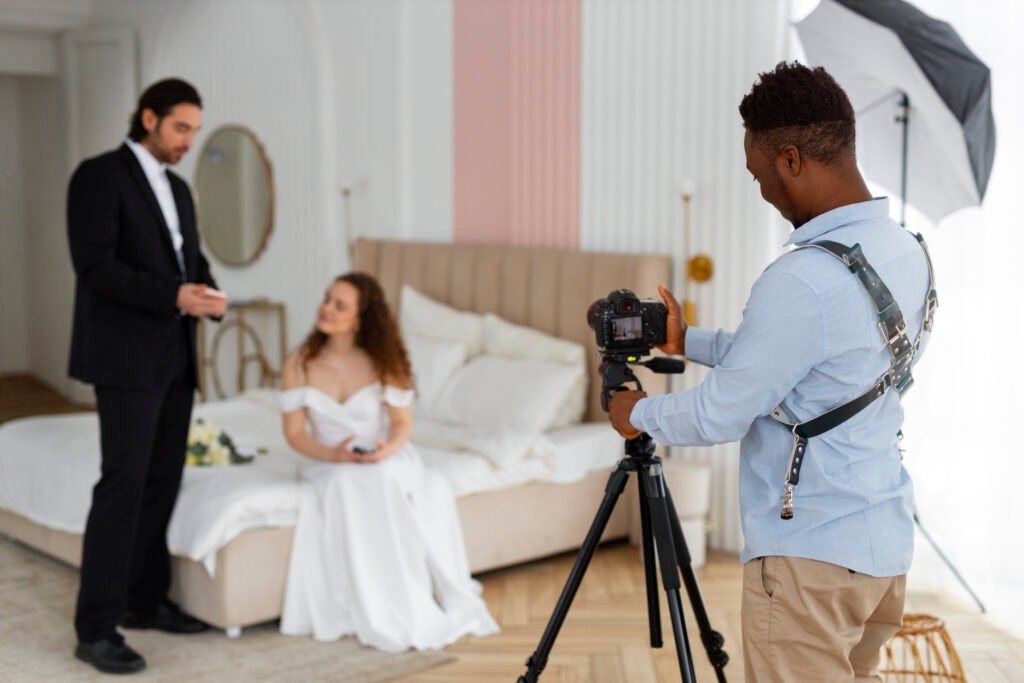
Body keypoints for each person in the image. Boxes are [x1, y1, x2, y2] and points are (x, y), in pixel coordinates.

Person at [609, 62, 935, 682]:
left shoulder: (801, 279)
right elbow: (814, 368)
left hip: (808, 562)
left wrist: (635, 413)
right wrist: (688, 342)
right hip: (881, 550)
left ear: (790, 160)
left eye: (759, 174)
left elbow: (720, 413)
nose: (761, 190)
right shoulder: (907, 251)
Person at [68, 78, 227, 675]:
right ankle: (95, 628)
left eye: (195, 131)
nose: (188, 141)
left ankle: (144, 601)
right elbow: (95, 268)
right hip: (125, 359)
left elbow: (191, 261)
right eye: (181, 128)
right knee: (123, 486)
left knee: (162, 484)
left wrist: (210, 294)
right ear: (149, 118)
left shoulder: (179, 189)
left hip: (176, 359)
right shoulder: (98, 176)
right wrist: (174, 296)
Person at [277, 273, 499, 651]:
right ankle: (372, 602)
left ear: (360, 318)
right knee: (345, 482)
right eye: (327, 299)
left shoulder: (384, 360)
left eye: (339, 305)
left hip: (385, 454)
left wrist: (385, 449)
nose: (326, 309)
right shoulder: (298, 363)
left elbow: (401, 424)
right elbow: (295, 434)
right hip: (326, 460)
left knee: (380, 478)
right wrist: (335, 454)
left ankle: (403, 598)